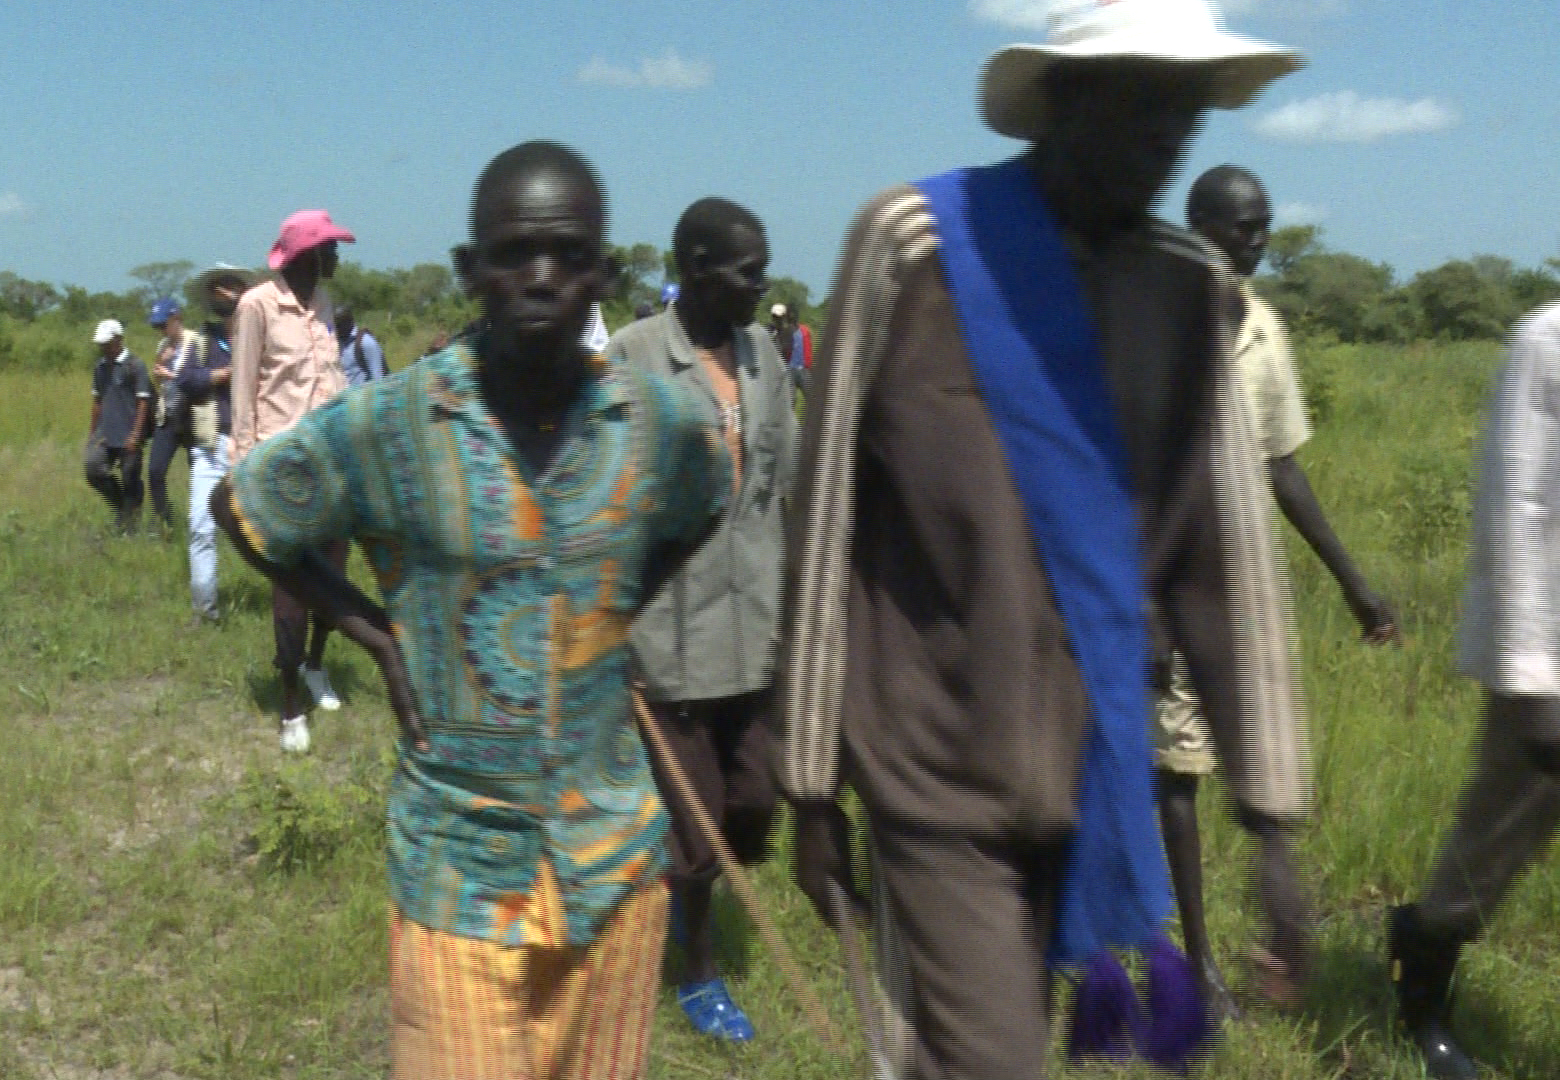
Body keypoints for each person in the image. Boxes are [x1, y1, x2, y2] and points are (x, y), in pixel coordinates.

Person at [776, 3, 1308, 1076]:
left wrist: (1274, 819)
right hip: (934, 761)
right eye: (1141, 100)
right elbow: (823, 507)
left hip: (1100, 762)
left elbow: (1226, 566)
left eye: (1187, 111)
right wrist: (807, 779)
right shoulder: (914, 248)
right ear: (1062, 97)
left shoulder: (1187, 288)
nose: (1168, 136)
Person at [214, 140, 729, 1080]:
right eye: (512, 254)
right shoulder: (393, 423)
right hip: (458, 872)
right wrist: (370, 631)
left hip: (615, 867)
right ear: (470, 270)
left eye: (570, 256)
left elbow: (708, 498)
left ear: (604, 274)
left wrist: (617, 615)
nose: (542, 279)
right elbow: (245, 510)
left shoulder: (657, 423)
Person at [1155, 163, 1400, 1016]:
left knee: (1264, 756)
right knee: (1177, 769)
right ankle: (1199, 960)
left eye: (1263, 226)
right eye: (1239, 228)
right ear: (1198, 228)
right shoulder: (1153, 324)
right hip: (1166, 584)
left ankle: (1277, 909)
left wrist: (1356, 587)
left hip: (1244, 584)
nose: (1254, 242)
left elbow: (1283, 470)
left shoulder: (1262, 327)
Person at [608, 197, 796, 1041]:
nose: (761, 285)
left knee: (755, 801)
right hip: (668, 635)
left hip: (756, 630)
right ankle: (697, 974)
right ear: (693, 267)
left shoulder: (768, 357)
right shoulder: (634, 358)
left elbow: (781, 491)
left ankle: (663, 889)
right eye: (746, 270)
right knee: (696, 824)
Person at [1386, 300, 1560, 1080]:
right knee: (1500, 831)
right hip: (1552, 644)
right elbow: (1515, 501)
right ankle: (1421, 990)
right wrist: (1533, 670)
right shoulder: (1545, 341)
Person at [229, 210, 355, 749]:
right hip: (280, 468)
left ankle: (314, 665)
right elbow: (243, 388)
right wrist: (243, 469)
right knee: (290, 587)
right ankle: (289, 706)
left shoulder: (323, 306)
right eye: (331, 247)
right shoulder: (257, 305)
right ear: (307, 252)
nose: (339, 256)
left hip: (330, 460)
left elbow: (332, 377)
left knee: (334, 579)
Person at [174, 266, 250, 623]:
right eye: (218, 288)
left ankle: (295, 602)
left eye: (231, 286)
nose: (225, 293)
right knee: (202, 526)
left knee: (270, 527)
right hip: (211, 443)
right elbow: (185, 380)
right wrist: (222, 375)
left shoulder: (261, 336)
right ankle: (205, 610)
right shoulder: (201, 341)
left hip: (255, 443)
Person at [84, 318, 150, 533]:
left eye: (107, 343)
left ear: (119, 339)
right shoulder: (100, 368)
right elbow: (97, 401)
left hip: (129, 432)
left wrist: (136, 435)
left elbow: (143, 402)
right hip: (106, 433)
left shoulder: (135, 365)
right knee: (93, 470)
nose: (103, 347)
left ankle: (131, 525)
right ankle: (122, 507)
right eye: (101, 344)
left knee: (130, 475)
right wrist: (92, 435)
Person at [146, 297, 205, 533]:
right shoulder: (162, 346)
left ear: (176, 318)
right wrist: (162, 363)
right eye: (156, 327)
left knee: (199, 475)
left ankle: (201, 524)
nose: (161, 331)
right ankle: (165, 521)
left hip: (194, 417)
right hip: (168, 415)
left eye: (163, 324)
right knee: (154, 471)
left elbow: (201, 379)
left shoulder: (197, 342)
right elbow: (157, 378)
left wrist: (171, 375)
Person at [335, 306, 387, 386]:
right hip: (347, 397)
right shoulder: (336, 344)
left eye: (339, 325)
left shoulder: (365, 342)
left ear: (350, 322)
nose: (336, 329)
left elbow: (379, 379)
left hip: (367, 397)